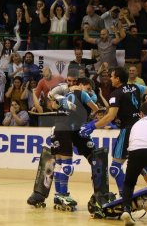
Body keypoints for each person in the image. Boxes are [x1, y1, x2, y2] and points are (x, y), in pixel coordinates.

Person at [80, 67, 147, 196]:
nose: (110, 79)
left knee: (115, 169)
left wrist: (92, 126)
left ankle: (125, 198)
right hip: (142, 129)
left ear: (117, 79)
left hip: (128, 131)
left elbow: (110, 117)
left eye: (112, 76)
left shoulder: (116, 94)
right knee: (138, 159)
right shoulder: (136, 87)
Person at [47, 71, 99, 208]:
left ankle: (58, 196)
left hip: (58, 128)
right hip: (66, 129)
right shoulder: (83, 94)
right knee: (67, 165)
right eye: (88, 88)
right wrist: (88, 119)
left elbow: (52, 103)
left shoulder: (66, 94)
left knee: (59, 164)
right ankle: (63, 196)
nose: (89, 91)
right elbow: (97, 109)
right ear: (81, 85)